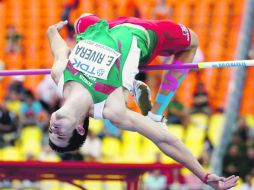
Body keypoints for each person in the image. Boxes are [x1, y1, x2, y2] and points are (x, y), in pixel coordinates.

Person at [46, 19, 238, 189]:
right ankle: (155, 111)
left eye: (51, 131)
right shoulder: (112, 110)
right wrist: (203, 175)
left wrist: (52, 32)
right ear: (80, 128)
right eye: (60, 134)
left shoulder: (59, 75)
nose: (54, 129)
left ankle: (130, 84)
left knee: (82, 21)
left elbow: (60, 49)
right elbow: (164, 140)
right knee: (192, 42)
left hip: (101, 27)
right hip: (141, 32)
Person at [73, 13, 197, 125]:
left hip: (137, 40)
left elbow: (81, 21)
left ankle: (139, 97)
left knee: (117, 107)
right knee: (193, 41)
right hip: (147, 32)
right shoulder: (100, 28)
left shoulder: (91, 37)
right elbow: (83, 20)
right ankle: (155, 112)